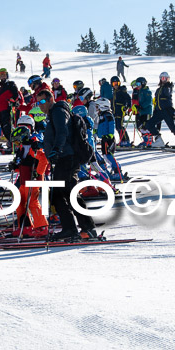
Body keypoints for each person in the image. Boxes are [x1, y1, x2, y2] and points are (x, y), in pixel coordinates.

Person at [38, 89, 97, 240]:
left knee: (64, 193)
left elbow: (62, 132)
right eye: (38, 103)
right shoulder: (54, 114)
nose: (41, 105)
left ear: (51, 99)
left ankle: (85, 228)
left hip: (67, 157)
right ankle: (73, 228)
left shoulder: (58, 111)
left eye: (43, 101)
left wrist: (56, 149)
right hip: (63, 158)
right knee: (63, 194)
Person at [8, 126, 49, 238]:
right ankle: (25, 227)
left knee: (32, 202)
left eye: (17, 140)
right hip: (24, 180)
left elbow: (44, 159)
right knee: (19, 202)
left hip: (33, 179)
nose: (16, 143)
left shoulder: (33, 146)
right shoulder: (22, 148)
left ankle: (42, 227)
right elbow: (23, 164)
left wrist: (38, 173)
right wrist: (15, 166)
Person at [147, 72, 175, 149]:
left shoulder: (168, 87)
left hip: (167, 110)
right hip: (159, 111)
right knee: (149, 124)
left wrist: (168, 85)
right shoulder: (158, 89)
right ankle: (159, 140)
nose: (164, 80)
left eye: (166, 78)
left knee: (172, 127)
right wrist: (155, 108)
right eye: (162, 78)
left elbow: (167, 93)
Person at [0, 68, 20, 149]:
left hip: (8, 109)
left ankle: (14, 143)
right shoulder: (0, 87)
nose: (2, 76)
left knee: (8, 126)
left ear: (7, 75)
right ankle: (11, 142)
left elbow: (16, 95)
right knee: (3, 127)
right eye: (1, 75)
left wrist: (12, 100)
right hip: (1, 111)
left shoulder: (10, 84)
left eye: (4, 74)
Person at [110, 76, 131, 146]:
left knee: (120, 125)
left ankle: (126, 140)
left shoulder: (122, 91)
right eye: (114, 84)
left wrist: (126, 107)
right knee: (117, 126)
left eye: (117, 83)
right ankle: (122, 139)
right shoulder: (114, 92)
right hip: (115, 111)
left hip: (120, 110)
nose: (116, 85)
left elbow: (128, 99)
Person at [134, 77, 154, 147]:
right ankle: (145, 140)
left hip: (146, 111)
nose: (137, 85)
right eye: (136, 84)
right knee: (141, 126)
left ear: (143, 83)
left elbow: (149, 101)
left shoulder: (147, 91)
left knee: (146, 126)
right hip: (141, 112)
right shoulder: (140, 91)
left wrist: (141, 106)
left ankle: (149, 141)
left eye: (138, 84)